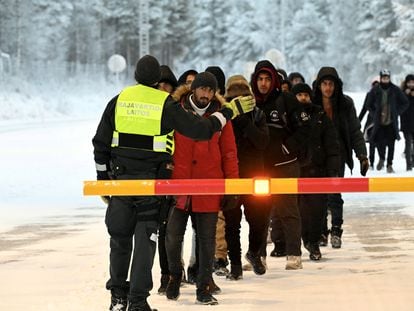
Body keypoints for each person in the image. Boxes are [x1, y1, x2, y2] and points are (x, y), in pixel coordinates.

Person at [92, 55, 255, 311]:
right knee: (145, 241)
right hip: (151, 185)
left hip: (121, 183)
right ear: (157, 80)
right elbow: (201, 130)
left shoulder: (119, 100)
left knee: (119, 240)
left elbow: (100, 143)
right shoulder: (164, 104)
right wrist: (228, 112)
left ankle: (117, 298)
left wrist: (103, 179)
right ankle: (137, 302)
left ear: (135, 76)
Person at [165, 72, 239, 305]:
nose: (206, 94)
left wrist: (232, 187)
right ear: (193, 90)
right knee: (173, 236)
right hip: (181, 185)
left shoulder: (221, 116)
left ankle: (203, 286)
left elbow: (229, 153)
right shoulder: (177, 110)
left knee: (207, 241)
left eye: (210, 90)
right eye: (202, 89)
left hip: (209, 184)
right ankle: (175, 275)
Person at [252, 60, 310, 270]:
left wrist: (288, 147)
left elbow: (305, 127)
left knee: (288, 210)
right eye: (260, 79)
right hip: (259, 168)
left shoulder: (286, 99)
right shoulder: (250, 102)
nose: (264, 83)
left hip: (285, 165)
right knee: (258, 213)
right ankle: (258, 256)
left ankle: (294, 254)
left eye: (268, 79)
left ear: (274, 80)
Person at [313, 66, 369, 249]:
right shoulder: (312, 103)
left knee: (334, 194)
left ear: (337, 86)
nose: (328, 88)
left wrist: (362, 155)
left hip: (338, 155)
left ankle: (336, 230)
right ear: (319, 85)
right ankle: (321, 231)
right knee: (319, 196)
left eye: (331, 84)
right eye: (325, 84)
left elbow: (354, 130)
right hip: (318, 156)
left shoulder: (345, 104)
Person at [222, 75, 269, 279]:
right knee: (232, 223)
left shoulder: (257, 114)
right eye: (234, 95)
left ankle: (254, 252)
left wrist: (244, 123)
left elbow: (263, 142)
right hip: (231, 175)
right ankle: (235, 265)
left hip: (255, 174)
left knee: (259, 218)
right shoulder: (222, 116)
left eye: (243, 95)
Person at [292, 83, 340, 260]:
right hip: (296, 171)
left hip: (318, 171)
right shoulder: (290, 116)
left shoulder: (320, 115)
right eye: (299, 95)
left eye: (306, 95)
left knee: (318, 210)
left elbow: (332, 143)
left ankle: (313, 242)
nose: (303, 98)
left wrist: (333, 168)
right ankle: (306, 240)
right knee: (301, 210)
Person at [365, 69, 408, 173]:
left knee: (391, 144)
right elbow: (368, 104)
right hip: (379, 122)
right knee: (379, 142)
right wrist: (374, 113)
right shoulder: (375, 90)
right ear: (380, 78)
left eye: (387, 78)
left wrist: (397, 112)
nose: (385, 80)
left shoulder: (395, 89)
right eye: (384, 78)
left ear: (389, 78)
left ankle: (389, 164)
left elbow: (405, 102)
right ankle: (382, 158)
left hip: (391, 121)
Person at [358, 78, 380, 169]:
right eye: (374, 85)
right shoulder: (369, 95)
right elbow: (364, 108)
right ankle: (373, 162)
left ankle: (381, 159)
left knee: (379, 143)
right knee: (372, 143)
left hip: (380, 123)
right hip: (371, 123)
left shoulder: (383, 94)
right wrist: (358, 121)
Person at [400, 74, 414, 171]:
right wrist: (406, 95)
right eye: (409, 82)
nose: (411, 84)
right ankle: (408, 165)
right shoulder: (401, 93)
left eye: (413, 82)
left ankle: (412, 162)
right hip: (406, 123)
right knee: (408, 143)